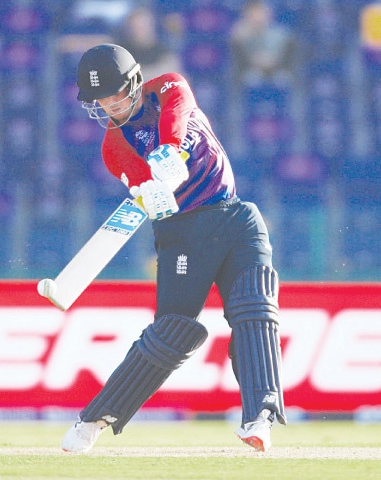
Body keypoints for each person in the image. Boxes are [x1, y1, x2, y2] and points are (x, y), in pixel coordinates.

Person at [60, 44, 285, 453]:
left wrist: (170, 147)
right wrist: (150, 191)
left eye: (115, 93)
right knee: (172, 333)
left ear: (134, 82)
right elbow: (138, 181)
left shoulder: (166, 87)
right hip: (182, 233)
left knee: (254, 309)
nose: (110, 105)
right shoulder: (113, 148)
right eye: (101, 100)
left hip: (236, 218)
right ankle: (94, 419)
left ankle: (260, 416)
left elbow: (178, 109)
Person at [229, 0, 296, 87]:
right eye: (253, 14)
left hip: (278, 70)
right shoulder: (239, 37)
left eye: (260, 13)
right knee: (250, 79)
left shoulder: (281, 35)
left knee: (284, 79)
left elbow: (288, 57)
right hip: (249, 71)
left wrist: (272, 61)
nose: (257, 17)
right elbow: (238, 61)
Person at [112, 6, 182, 81]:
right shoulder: (119, 52)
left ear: (152, 26)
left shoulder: (165, 51)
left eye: (143, 26)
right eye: (136, 27)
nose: (140, 30)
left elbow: (173, 76)